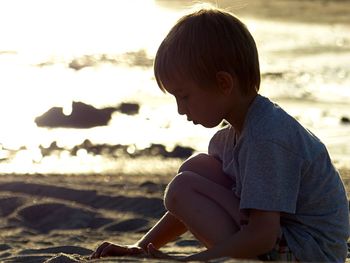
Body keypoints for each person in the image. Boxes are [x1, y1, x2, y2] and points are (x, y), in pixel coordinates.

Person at [91, 8, 349, 262]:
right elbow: (194, 206)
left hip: (310, 252)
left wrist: (197, 259)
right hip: (286, 240)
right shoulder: (229, 137)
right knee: (197, 167)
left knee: (182, 187)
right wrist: (140, 246)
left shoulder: (266, 137)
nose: (181, 109)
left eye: (184, 96)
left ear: (224, 83)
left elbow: (263, 235)